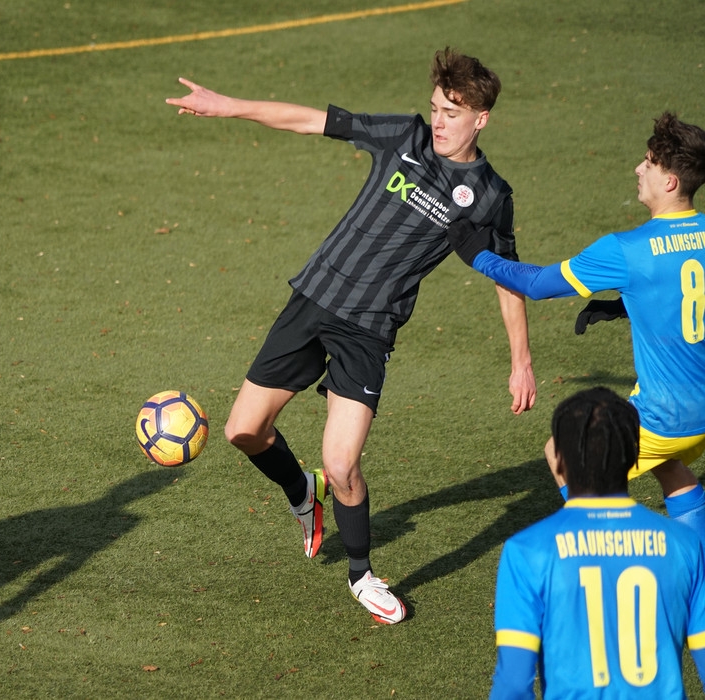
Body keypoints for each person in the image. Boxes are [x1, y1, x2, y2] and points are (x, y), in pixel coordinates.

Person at [166, 48, 537, 623]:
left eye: (452, 113)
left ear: (481, 118)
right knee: (243, 431)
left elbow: (506, 277)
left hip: (368, 330)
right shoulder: (404, 136)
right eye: (436, 108)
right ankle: (302, 493)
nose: (439, 122)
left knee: (342, 465)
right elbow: (308, 119)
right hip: (314, 299)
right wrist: (226, 106)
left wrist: (521, 360)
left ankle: (362, 575)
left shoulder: (490, 196)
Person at [447, 112, 705, 539]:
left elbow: (538, 284)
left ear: (670, 182)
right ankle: (696, 548)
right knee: (667, 465)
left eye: (648, 163)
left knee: (562, 453)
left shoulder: (626, 250)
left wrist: (479, 256)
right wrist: (627, 306)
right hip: (700, 416)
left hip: (666, 417)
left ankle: (605, 546)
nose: (638, 169)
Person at [490, 387, 705, 698]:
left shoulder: (526, 551)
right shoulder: (685, 545)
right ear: (634, 458)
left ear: (559, 463)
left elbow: (512, 684)